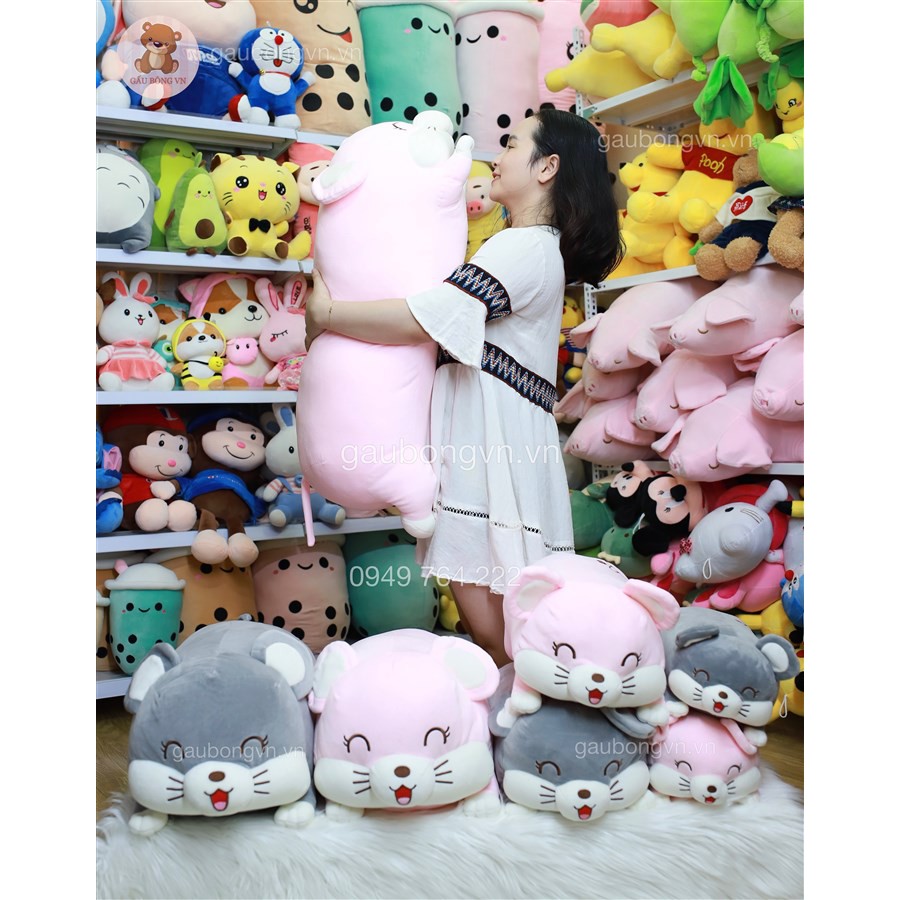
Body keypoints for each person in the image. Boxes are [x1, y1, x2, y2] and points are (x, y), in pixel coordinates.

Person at [303, 109, 623, 666]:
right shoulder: (527, 245)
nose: (495, 157)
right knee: (510, 630)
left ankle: (520, 713)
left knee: (504, 639)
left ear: (547, 167)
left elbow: (426, 319)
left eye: (511, 145)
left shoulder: (522, 247)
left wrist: (328, 314)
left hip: (491, 443)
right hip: (493, 434)